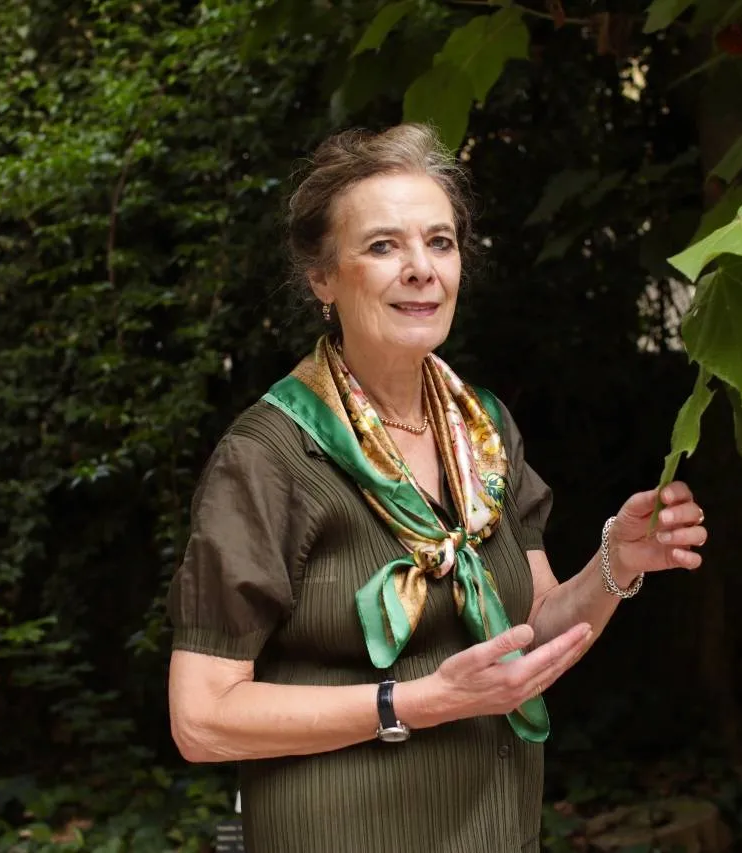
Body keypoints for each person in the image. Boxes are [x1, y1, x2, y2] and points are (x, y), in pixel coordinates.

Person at [165, 123, 708, 853]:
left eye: (440, 242)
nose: (421, 268)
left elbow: (532, 633)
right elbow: (201, 718)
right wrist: (416, 703)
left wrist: (618, 562)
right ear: (321, 278)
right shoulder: (268, 456)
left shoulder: (484, 429)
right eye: (383, 245)